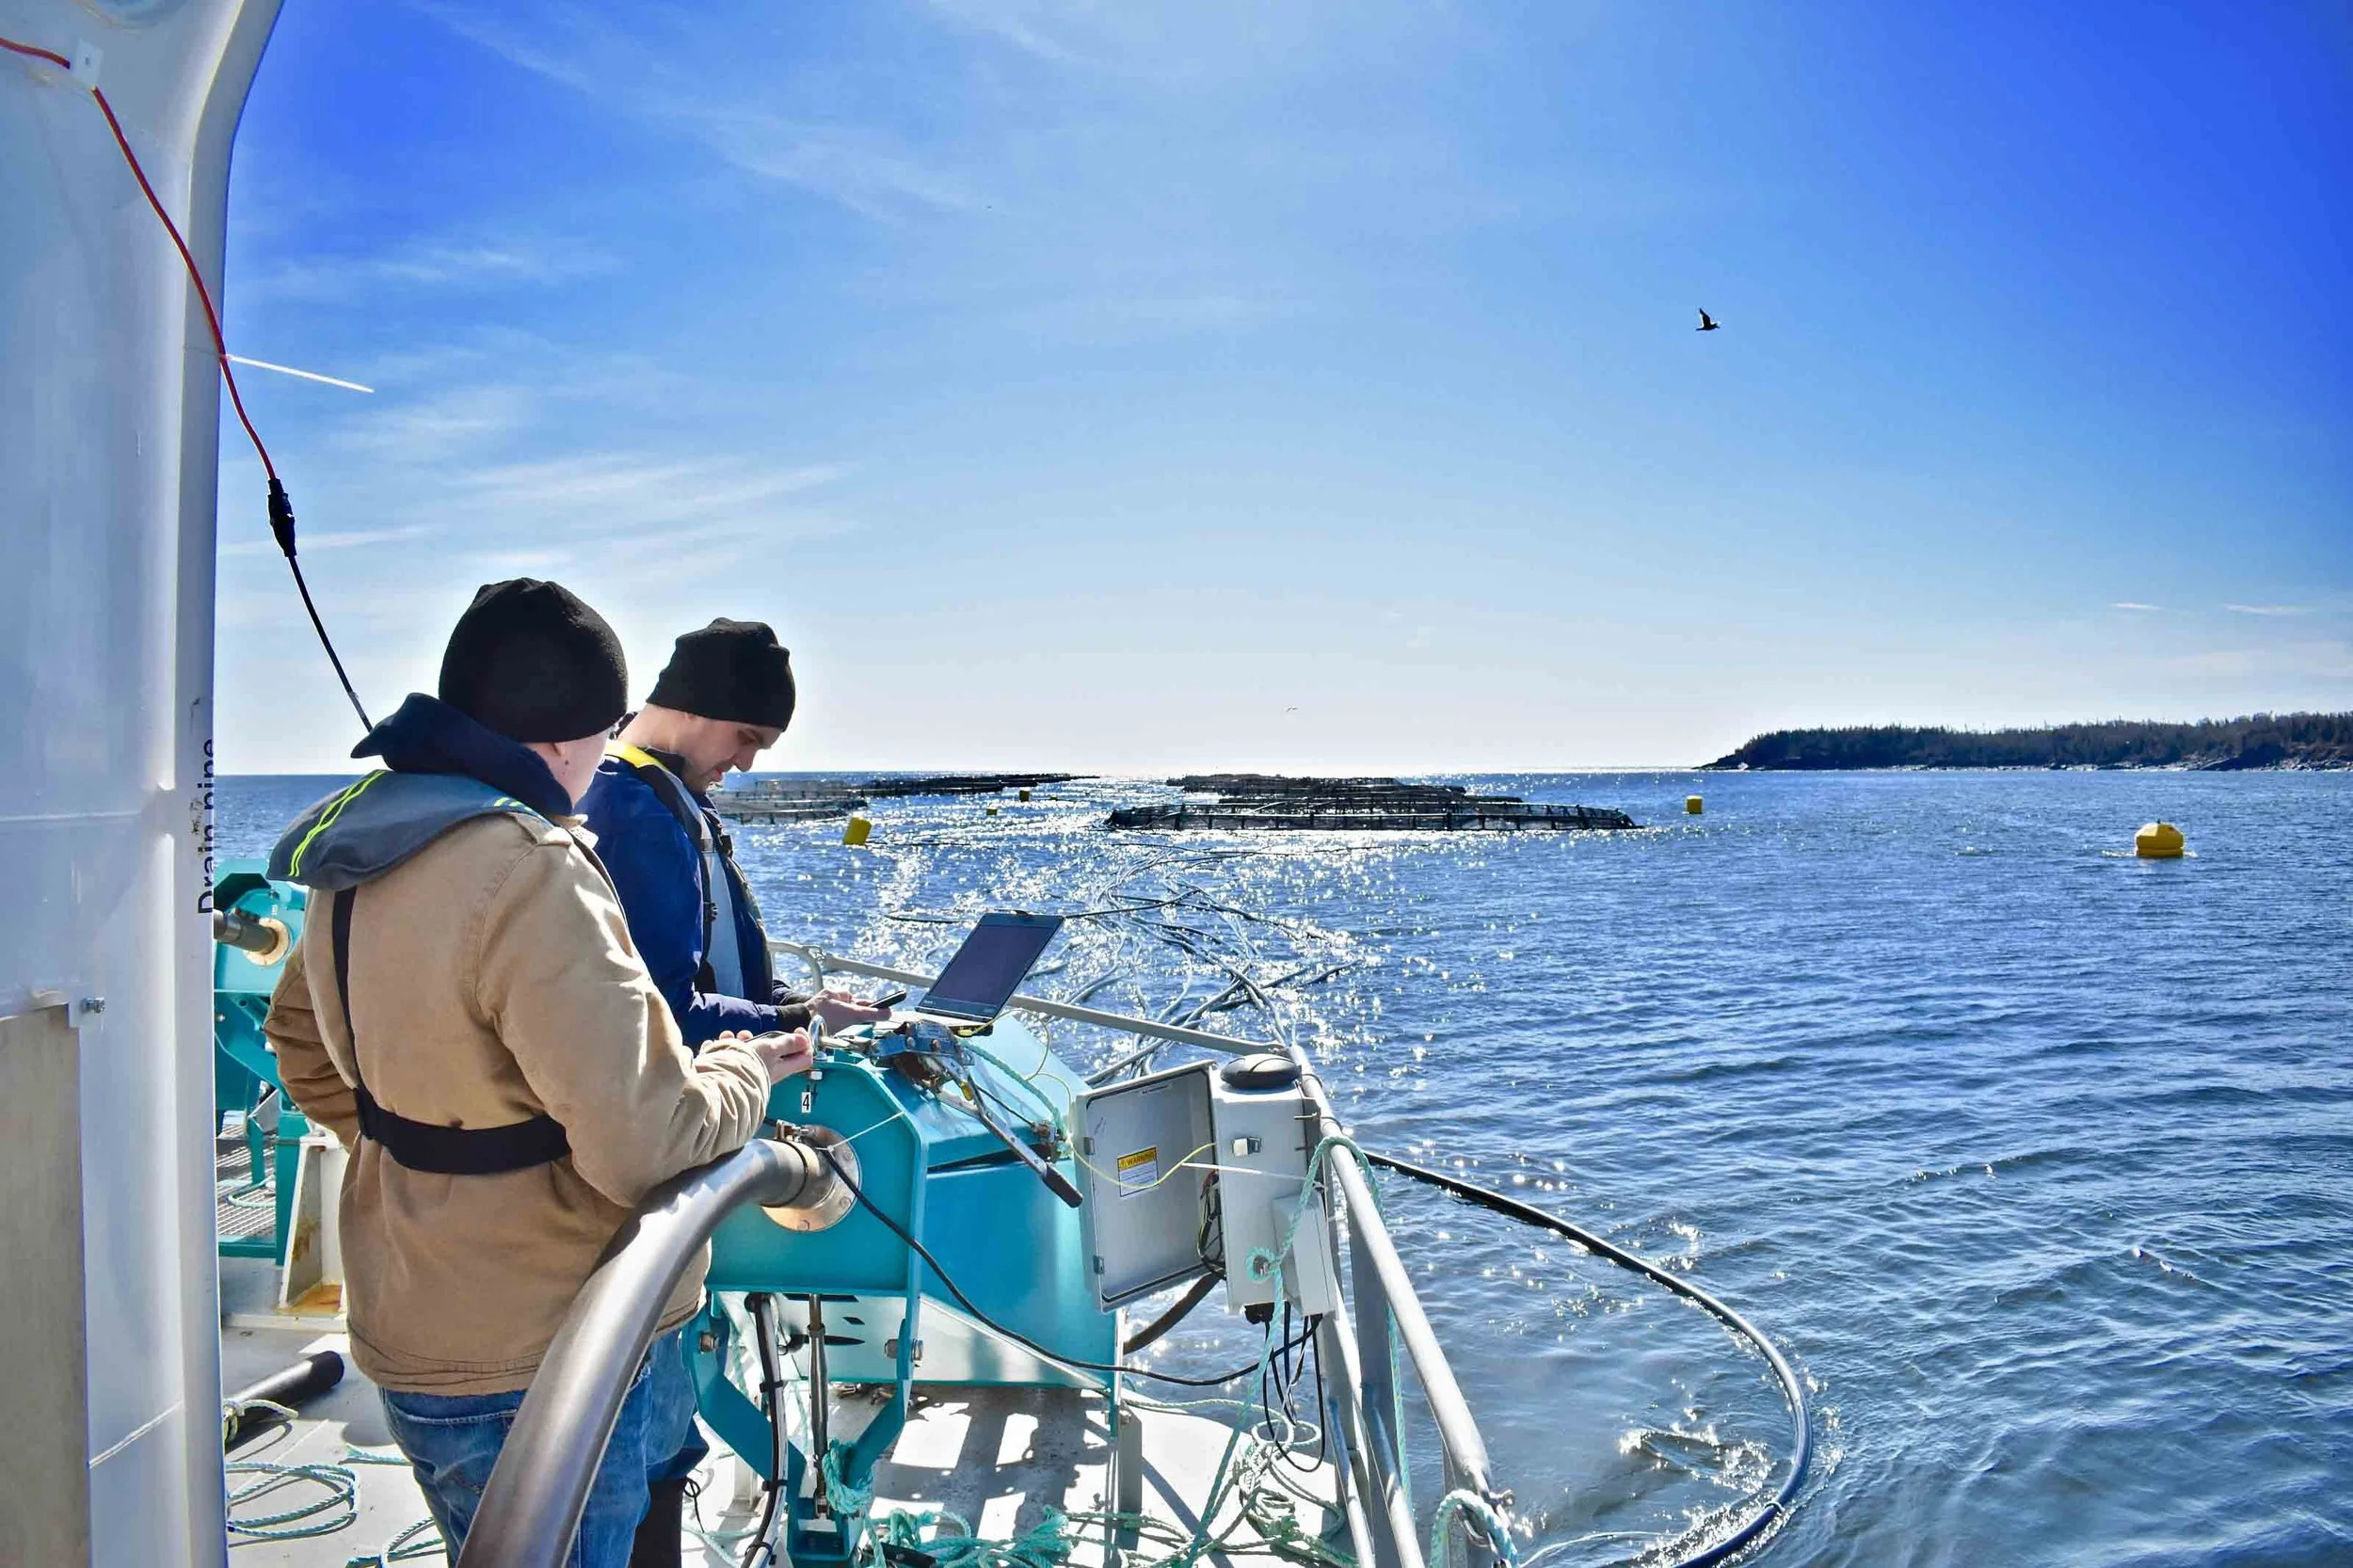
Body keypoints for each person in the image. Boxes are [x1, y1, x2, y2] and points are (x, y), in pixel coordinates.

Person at [263, 579, 810, 1567]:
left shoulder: (362, 841)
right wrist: (745, 1066)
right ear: (566, 737)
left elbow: (301, 1045)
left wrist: (432, 1154)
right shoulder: (529, 865)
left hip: (417, 1320)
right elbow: (649, 1144)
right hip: (543, 1345)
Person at [581, 617, 890, 1050]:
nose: (745, 763)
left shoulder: (666, 788)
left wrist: (799, 1005)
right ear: (690, 703)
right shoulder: (631, 808)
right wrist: (801, 1018)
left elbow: (719, 964)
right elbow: (664, 1014)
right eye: (745, 738)